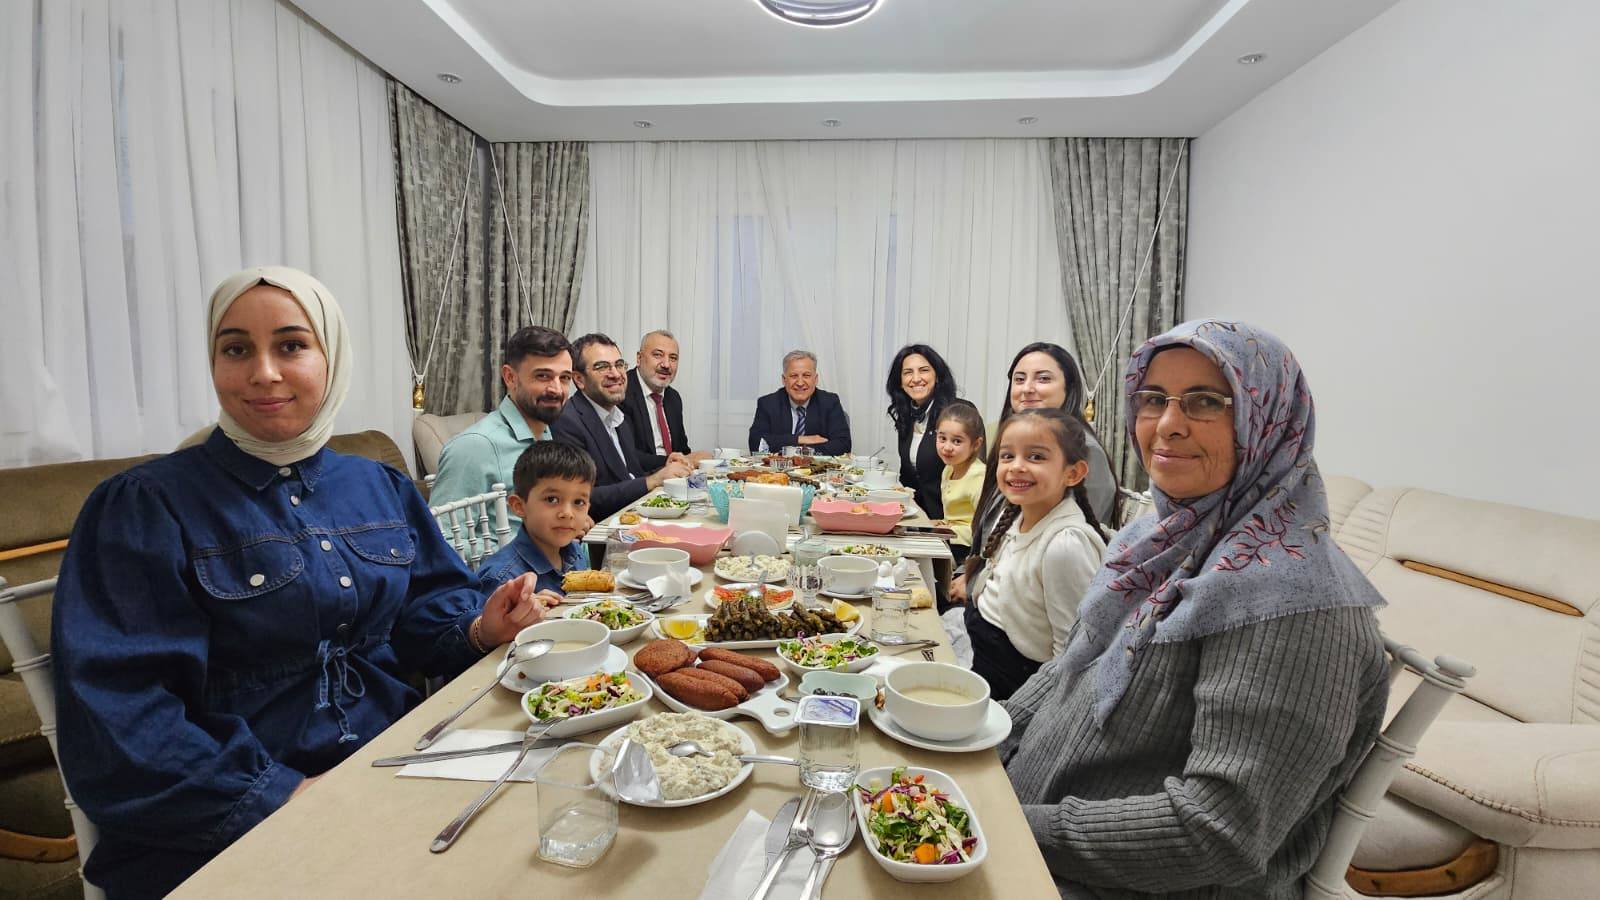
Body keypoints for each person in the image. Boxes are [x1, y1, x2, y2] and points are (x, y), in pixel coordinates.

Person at [49, 267, 549, 898]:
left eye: (291, 345)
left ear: (332, 357)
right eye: (236, 349)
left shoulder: (378, 484)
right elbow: (122, 716)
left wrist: (480, 626)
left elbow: (430, 603)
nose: (263, 373)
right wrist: (281, 797)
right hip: (224, 823)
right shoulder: (146, 505)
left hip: (392, 762)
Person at [999, 320, 1388, 898]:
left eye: (1206, 401)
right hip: (1027, 831)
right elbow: (1072, 665)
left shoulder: (1293, 605)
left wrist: (1007, 826)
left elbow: (1219, 831)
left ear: (1267, 420)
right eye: (1153, 399)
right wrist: (985, 738)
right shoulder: (1155, 537)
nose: (1167, 424)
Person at [950, 342, 1116, 604]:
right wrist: (970, 573)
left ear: (1069, 388)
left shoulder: (1086, 453)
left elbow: (1069, 557)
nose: (1027, 388)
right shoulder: (1016, 441)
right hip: (989, 585)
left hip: (1027, 602)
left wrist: (976, 583)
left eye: (1043, 379)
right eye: (1019, 379)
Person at [961, 409, 1106, 701]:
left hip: (1016, 687)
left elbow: (1071, 654)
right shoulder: (1015, 515)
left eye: (1036, 457)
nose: (1016, 466)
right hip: (982, 659)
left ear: (1073, 473)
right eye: (1007, 456)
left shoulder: (1064, 546)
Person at [430, 326, 574, 526]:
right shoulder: (475, 447)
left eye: (564, 378)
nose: (556, 389)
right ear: (510, 377)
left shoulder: (545, 433)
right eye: (543, 376)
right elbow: (441, 537)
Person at [553, 332, 692, 522]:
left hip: (634, 519)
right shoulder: (567, 421)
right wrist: (652, 481)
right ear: (579, 379)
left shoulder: (618, 417)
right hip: (602, 529)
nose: (616, 374)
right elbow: (581, 497)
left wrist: (664, 467)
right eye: (602, 367)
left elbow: (629, 476)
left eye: (619, 365)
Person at [476, 442, 596, 596]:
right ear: (519, 506)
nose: (567, 513)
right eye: (552, 499)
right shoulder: (503, 580)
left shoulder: (575, 552)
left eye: (578, 502)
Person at [620, 329, 709, 471]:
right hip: (642, 478)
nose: (666, 364)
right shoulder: (621, 392)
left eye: (673, 358)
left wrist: (693, 460)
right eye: (658, 355)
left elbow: (682, 450)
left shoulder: (673, 398)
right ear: (639, 358)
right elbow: (625, 455)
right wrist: (672, 461)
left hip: (673, 477)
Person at [885, 344, 957, 518]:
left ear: (937, 376)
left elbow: (973, 476)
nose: (916, 379)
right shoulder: (907, 414)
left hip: (948, 518)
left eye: (924, 370)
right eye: (908, 372)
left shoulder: (956, 413)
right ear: (900, 381)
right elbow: (908, 473)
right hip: (915, 514)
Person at [748, 350, 851, 455]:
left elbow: (844, 445)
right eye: (794, 376)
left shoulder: (830, 402)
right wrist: (800, 439)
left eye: (806, 375)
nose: (800, 383)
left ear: (815, 379)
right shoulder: (768, 404)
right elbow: (756, 443)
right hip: (780, 466)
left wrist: (797, 450)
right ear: (784, 380)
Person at [933, 400, 986, 565]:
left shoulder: (978, 477)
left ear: (976, 444)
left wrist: (950, 530)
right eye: (942, 438)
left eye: (957, 441)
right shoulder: (949, 468)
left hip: (967, 549)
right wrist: (943, 524)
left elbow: (985, 529)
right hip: (951, 538)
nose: (947, 447)